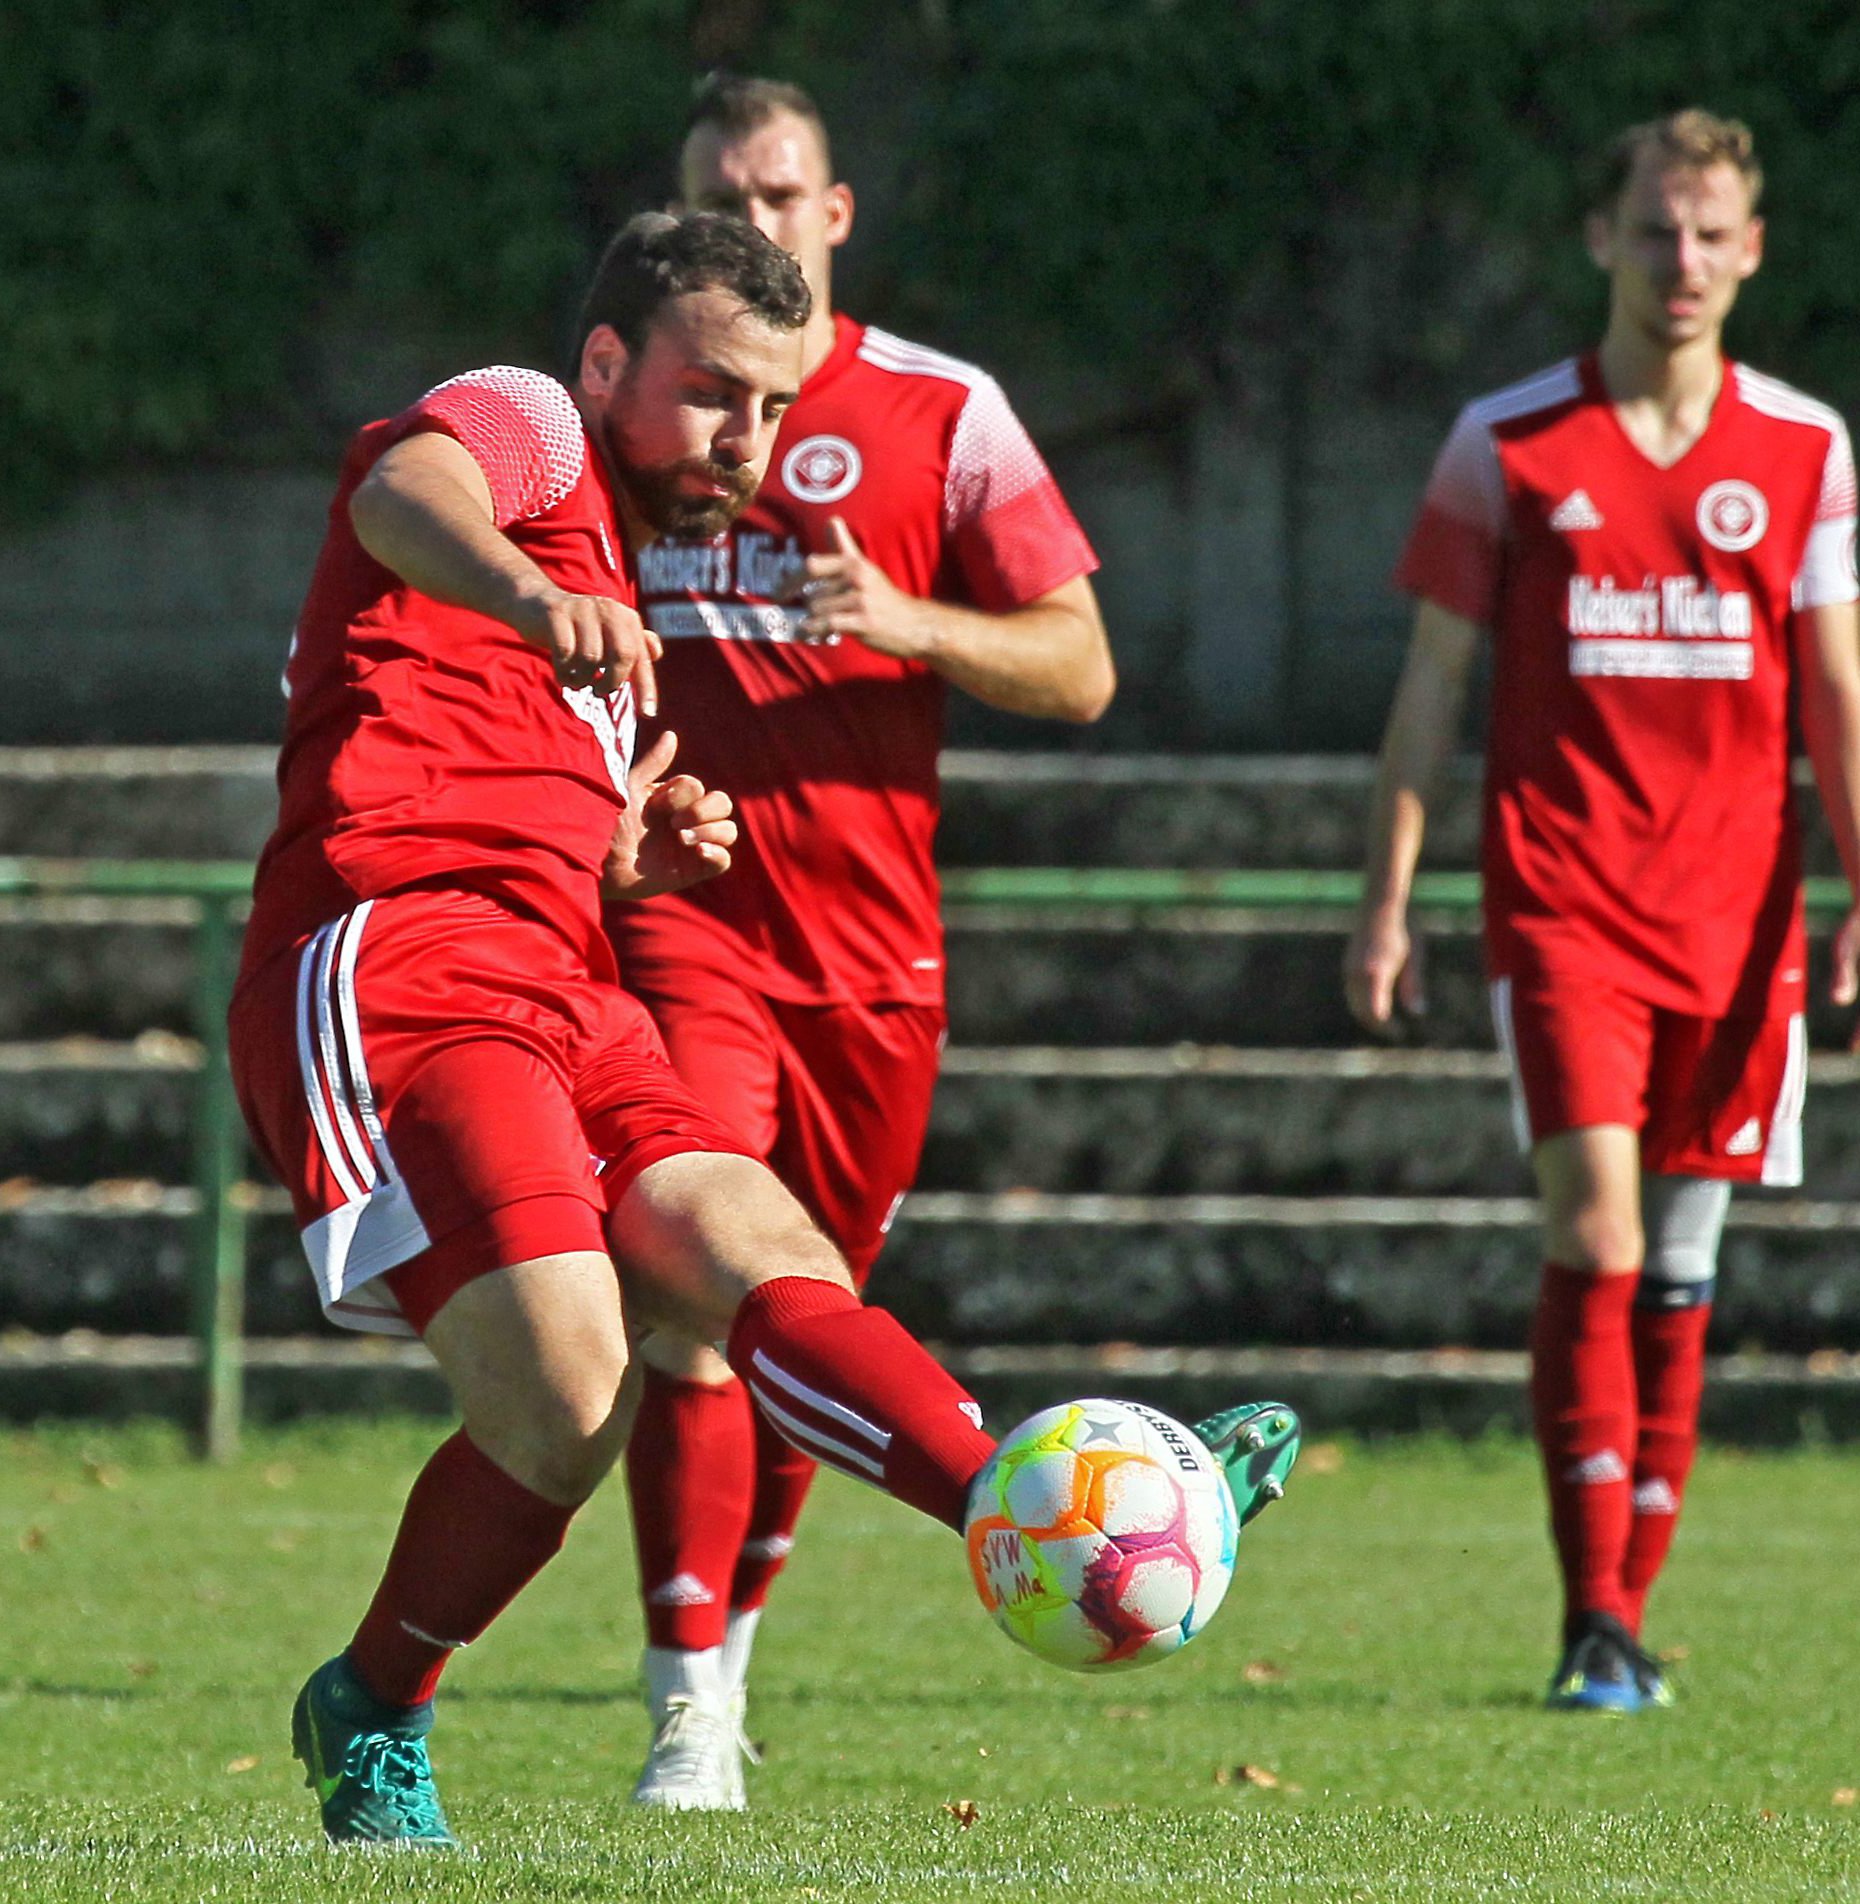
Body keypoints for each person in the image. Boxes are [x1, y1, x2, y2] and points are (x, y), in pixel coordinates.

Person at [232, 208, 1288, 1847]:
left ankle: (1033, 1505)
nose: (753, 439)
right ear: (608, 364)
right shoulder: (525, 426)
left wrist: (617, 851)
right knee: (575, 1397)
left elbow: (493, 772)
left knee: (757, 1243)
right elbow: (397, 494)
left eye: (779, 407)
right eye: (719, 394)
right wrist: (525, 590)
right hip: (396, 965)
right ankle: (376, 1702)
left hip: (561, 978)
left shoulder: (612, 590)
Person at [601, 75, 1119, 1810]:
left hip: (879, 966)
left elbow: (1082, 664)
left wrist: (908, 621)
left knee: (815, 1312)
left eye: (781, 192)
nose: (751, 218)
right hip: (685, 932)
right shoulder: (631, 417)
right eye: (718, 194)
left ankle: (724, 1662)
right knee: (701, 1290)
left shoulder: (942, 411)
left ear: (836, 216)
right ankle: (684, 1711)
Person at [1346, 109, 1860, 1713]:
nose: (1683, 262)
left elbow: (1839, 693)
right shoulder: (1506, 442)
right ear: (1603, 239)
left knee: (1686, 1270)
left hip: (1741, 918)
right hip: (1565, 907)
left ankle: (1627, 1607)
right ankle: (1594, 1622)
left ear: (1754, 248)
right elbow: (1433, 685)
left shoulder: (1806, 448)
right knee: (1599, 1236)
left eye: (1711, 234)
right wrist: (1387, 897)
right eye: (1655, 230)